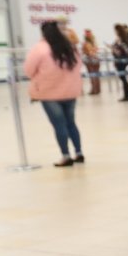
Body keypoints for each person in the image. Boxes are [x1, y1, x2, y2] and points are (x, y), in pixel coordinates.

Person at [24, 21, 84, 167]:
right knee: (71, 123)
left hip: (49, 93)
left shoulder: (39, 49)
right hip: (70, 92)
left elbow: (28, 70)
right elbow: (79, 66)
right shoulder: (70, 47)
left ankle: (65, 155)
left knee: (59, 125)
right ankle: (79, 152)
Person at [111, 24, 128, 102]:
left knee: (123, 77)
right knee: (123, 77)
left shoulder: (119, 39)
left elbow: (120, 50)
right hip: (123, 59)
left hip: (120, 60)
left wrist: (113, 49)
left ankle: (127, 95)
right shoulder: (124, 38)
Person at [81, 29, 101, 95]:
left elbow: (84, 51)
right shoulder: (95, 42)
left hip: (89, 60)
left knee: (92, 75)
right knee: (96, 75)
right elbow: (96, 50)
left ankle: (94, 90)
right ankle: (97, 90)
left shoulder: (85, 43)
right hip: (96, 59)